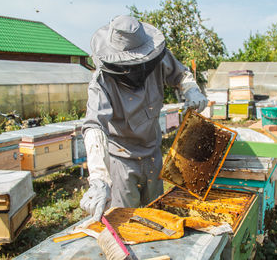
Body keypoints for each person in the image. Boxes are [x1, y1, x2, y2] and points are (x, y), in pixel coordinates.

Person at [80, 15, 208, 221]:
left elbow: (181, 74)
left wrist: (192, 91)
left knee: (156, 216)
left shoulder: (155, 58)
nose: (137, 69)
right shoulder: (102, 81)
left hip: (152, 154)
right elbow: (94, 126)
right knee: (125, 221)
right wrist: (98, 179)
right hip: (121, 160)